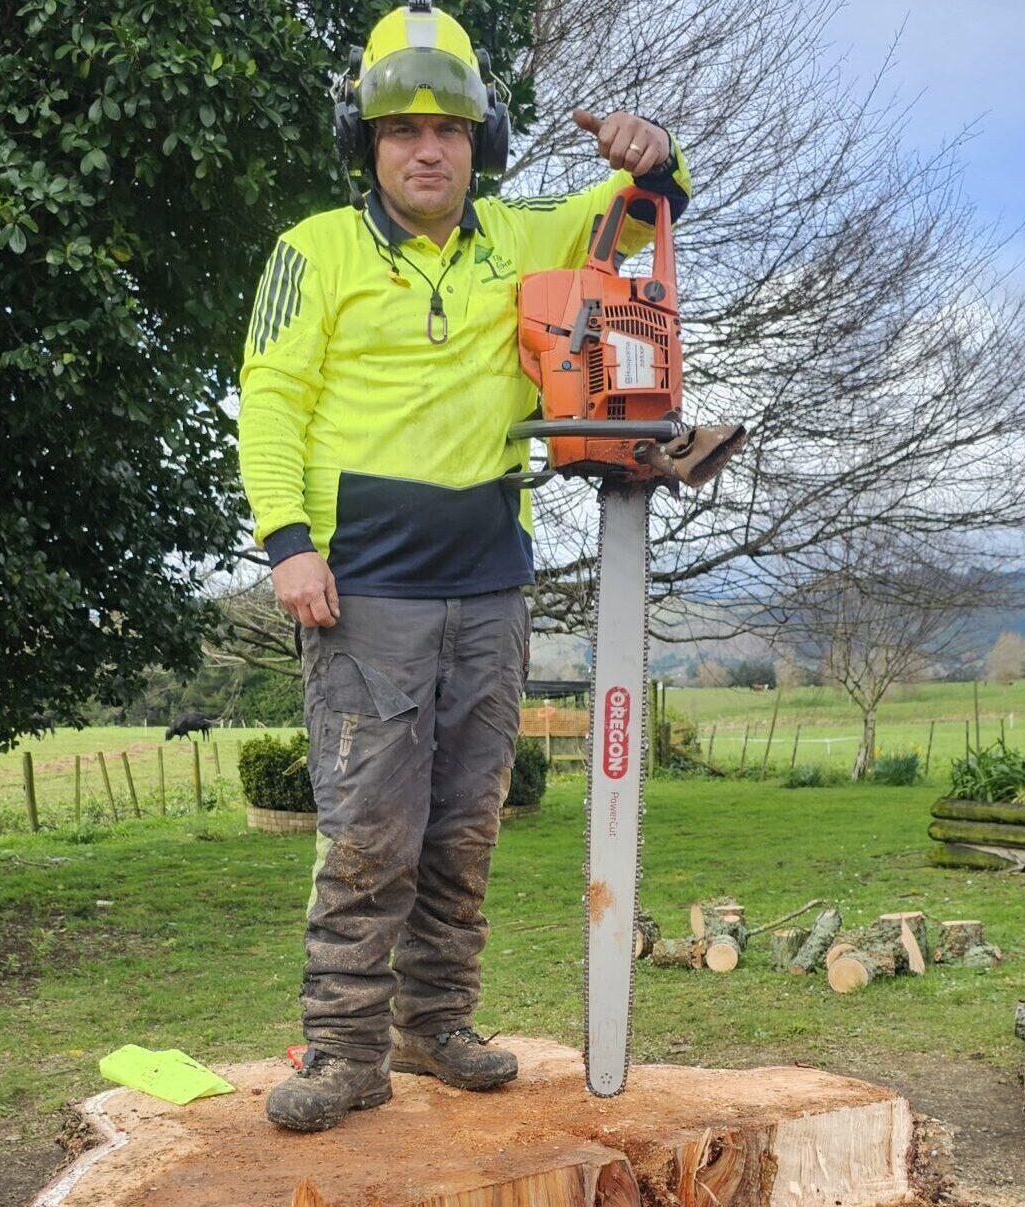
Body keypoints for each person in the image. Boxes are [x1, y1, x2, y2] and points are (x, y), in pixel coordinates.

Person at [237, 0, 692, 1132]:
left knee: (466, 822)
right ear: (368, 143)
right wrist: (287, 542)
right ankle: (345, 1050)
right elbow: (271, 399)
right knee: (368, 829)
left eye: (447, 128)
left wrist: (651, 151)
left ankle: (434, 1022)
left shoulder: (522, 233)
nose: (427, 149)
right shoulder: (312, 250)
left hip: (490, 582)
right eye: (402, 130)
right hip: (362, 589)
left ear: (477, 140)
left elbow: (643, 213)